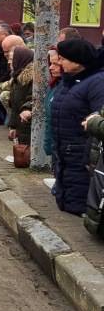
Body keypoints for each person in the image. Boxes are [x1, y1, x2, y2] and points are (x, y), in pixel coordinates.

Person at [51, 38, 104, 215]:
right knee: (69, 201)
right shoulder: (69, 81)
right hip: (65, 151)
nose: (58, 62)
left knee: (80, 202)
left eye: (63, 58)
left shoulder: (97, 82)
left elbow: (98, 116)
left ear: (78, 61)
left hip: (82, 153)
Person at [3, 46, 34, 149]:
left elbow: (31, 98)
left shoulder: (30, 79)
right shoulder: (17, 77)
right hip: (20, 122)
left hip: (26, 121)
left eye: (12, 59)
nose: (9, 62)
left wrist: (27, 109)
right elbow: (15, 106)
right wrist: (13, 126)